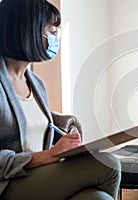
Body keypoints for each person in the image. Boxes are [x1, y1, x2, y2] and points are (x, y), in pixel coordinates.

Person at [0, 0, 121, 199]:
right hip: (9, 183)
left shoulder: (36, 83)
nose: (56, 38)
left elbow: (36, 135)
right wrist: (46, 156)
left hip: (38, 177)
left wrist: (67, 145)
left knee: (99, 198)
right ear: (28, 30)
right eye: (52, 31)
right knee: (108, 164)